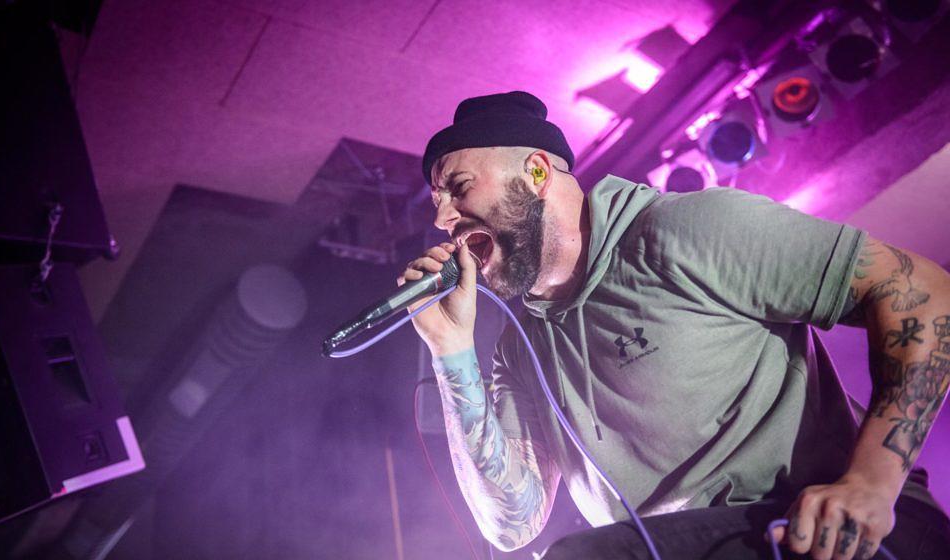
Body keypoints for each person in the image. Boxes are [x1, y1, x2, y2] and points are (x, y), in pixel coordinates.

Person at [399, 91, 950, 559]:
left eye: (459, 187)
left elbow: (925, 293)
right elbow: (512, 523)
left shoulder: (684, 231)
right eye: (438, 200)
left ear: (538, 172)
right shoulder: (521, 348)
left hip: (841, 527)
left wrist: (870, 484)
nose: (441, 218)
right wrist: (452, 350)